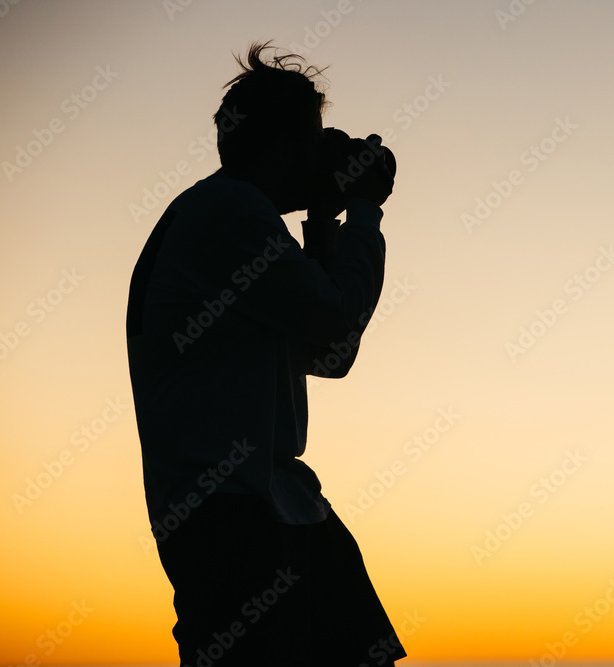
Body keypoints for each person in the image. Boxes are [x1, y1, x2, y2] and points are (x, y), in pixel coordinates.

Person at [125, 41, 405, 666]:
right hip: (233, 514)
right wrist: (363, 210)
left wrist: (327, 220)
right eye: (314, 139)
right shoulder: (230, 212)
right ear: (284, 146)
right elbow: (336, 317)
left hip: (272, 503)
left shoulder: (229, 217)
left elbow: (330, 352)